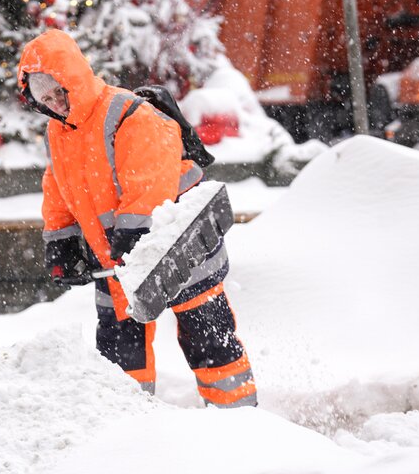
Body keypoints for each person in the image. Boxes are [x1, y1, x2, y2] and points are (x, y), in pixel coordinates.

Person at [17, 29, 257, 408]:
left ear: (74, 80)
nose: (55, 105)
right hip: (116, 258)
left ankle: (237, 417)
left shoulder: (127, 114)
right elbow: (57, 184)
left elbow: (149, 179)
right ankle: (128, 429)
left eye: (58, 93)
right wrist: (60, 239)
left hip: (178, 245)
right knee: (118, 352)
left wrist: (134, 235)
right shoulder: (58, 132)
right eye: (44, 100)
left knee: (206, 334)